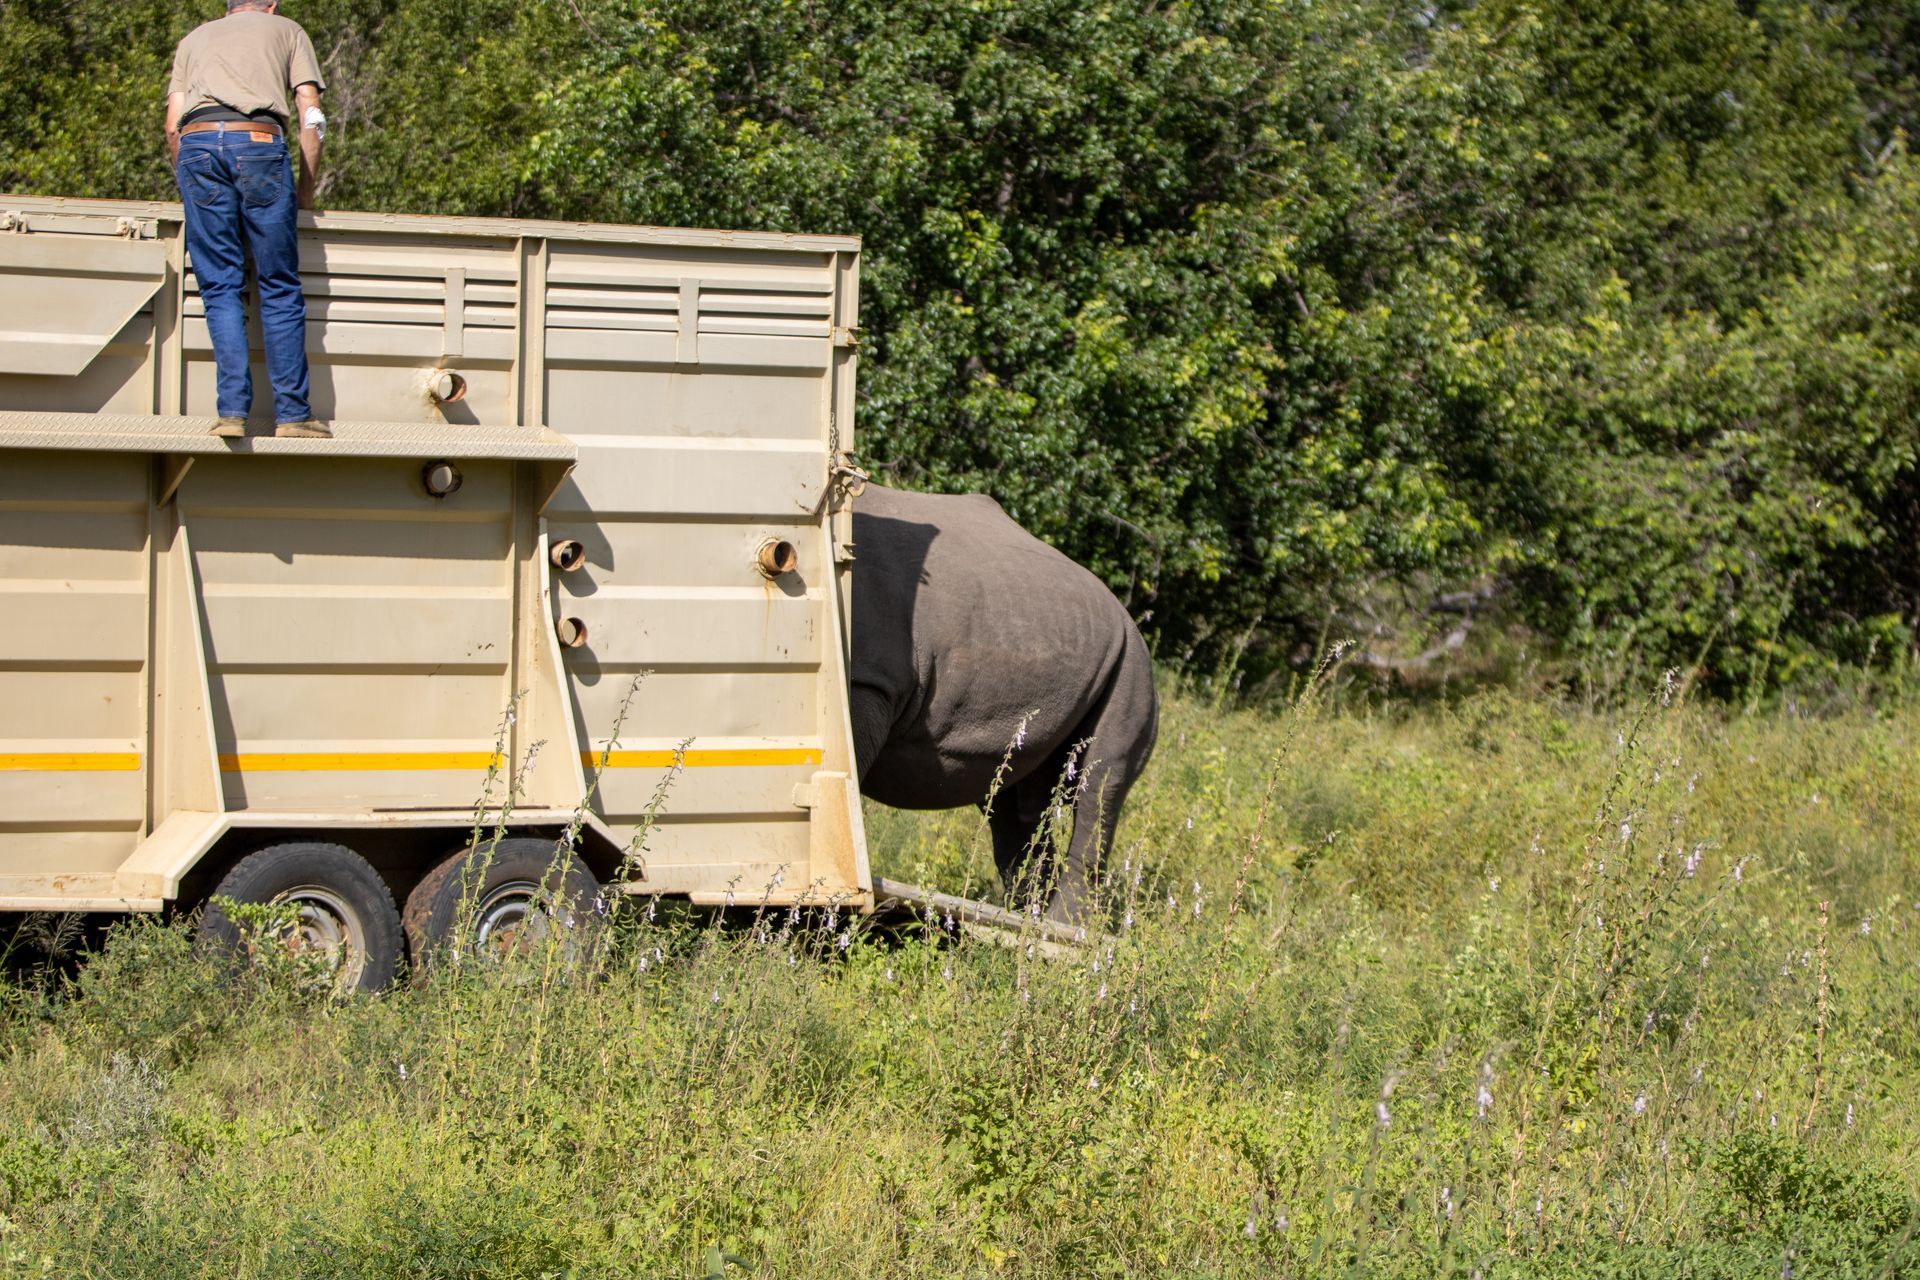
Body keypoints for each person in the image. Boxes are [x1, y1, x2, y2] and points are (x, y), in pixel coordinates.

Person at [164, 0, 330, 439]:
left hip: (197, 144)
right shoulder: (288, 30)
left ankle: (231, 413)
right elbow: (311, 111)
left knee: (220, 286)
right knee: (278, 284)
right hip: (258, 141)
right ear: (270, 4)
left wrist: (193, 185)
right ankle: (293, 417)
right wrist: (306, 191)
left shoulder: (193, 39)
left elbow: (170, 125)